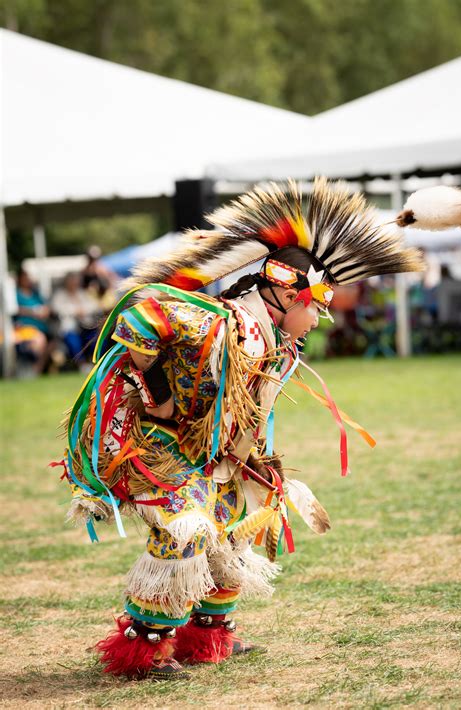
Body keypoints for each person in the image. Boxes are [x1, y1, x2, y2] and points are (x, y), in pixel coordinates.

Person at [59, 178, 423, 680]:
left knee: (237, 529)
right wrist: (162, 400)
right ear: (282, 291)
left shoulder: (274, 340)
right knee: (185, 532)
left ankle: (207, 638)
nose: (320, 318)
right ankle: (142, 653)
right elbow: (140, 318)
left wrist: (249, 458)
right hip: (157, 452)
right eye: (314, 305)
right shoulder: (220, 321)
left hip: (215, 458)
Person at [51, 272, 101, 369]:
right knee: (73, 341)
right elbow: (56, 309)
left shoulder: (82, 293)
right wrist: (75, 311)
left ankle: (94, 361)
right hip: (69, 327)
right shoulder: (60, 295)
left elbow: (95, 306)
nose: (74, 283)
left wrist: (84, 310)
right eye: (72, 281)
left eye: (76, 281)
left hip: (86, 326)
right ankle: (81, 364)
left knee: (96, 337)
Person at [15, 268, 52, 374]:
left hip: (41, 327)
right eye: (25, 278)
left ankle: (37, 370)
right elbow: (15, 309)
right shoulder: (16, 294)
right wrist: (33, 311)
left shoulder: (35, 294)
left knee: (52, 344)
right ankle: (34, 370)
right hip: (25, 328)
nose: (28, 280)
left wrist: (43, 311)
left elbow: (46, 309)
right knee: (39, 340)